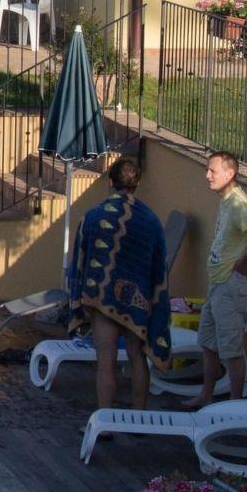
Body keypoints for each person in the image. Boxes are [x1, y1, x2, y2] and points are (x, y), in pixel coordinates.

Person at [65, 155, 173, 411]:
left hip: (103, 299)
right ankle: (138, 418)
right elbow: (159, 266)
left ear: (110, 183)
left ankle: (105, 422)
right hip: (139, 300)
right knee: (137, 356)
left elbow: (80, 260)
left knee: (106, 360)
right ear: (137, 184)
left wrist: (79, 299)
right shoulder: (151, 221)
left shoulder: (93, 216)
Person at [186, 149, 247, 409]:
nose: (207, 175)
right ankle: (206, 395)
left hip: (231, 286)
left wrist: (244, 260)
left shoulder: (239, 204)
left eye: (212, 170)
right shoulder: (225, 200)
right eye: (207, 170)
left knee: (231, 350)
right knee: (208, 343)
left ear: (230, 173)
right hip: (217, 284)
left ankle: (235, 407)